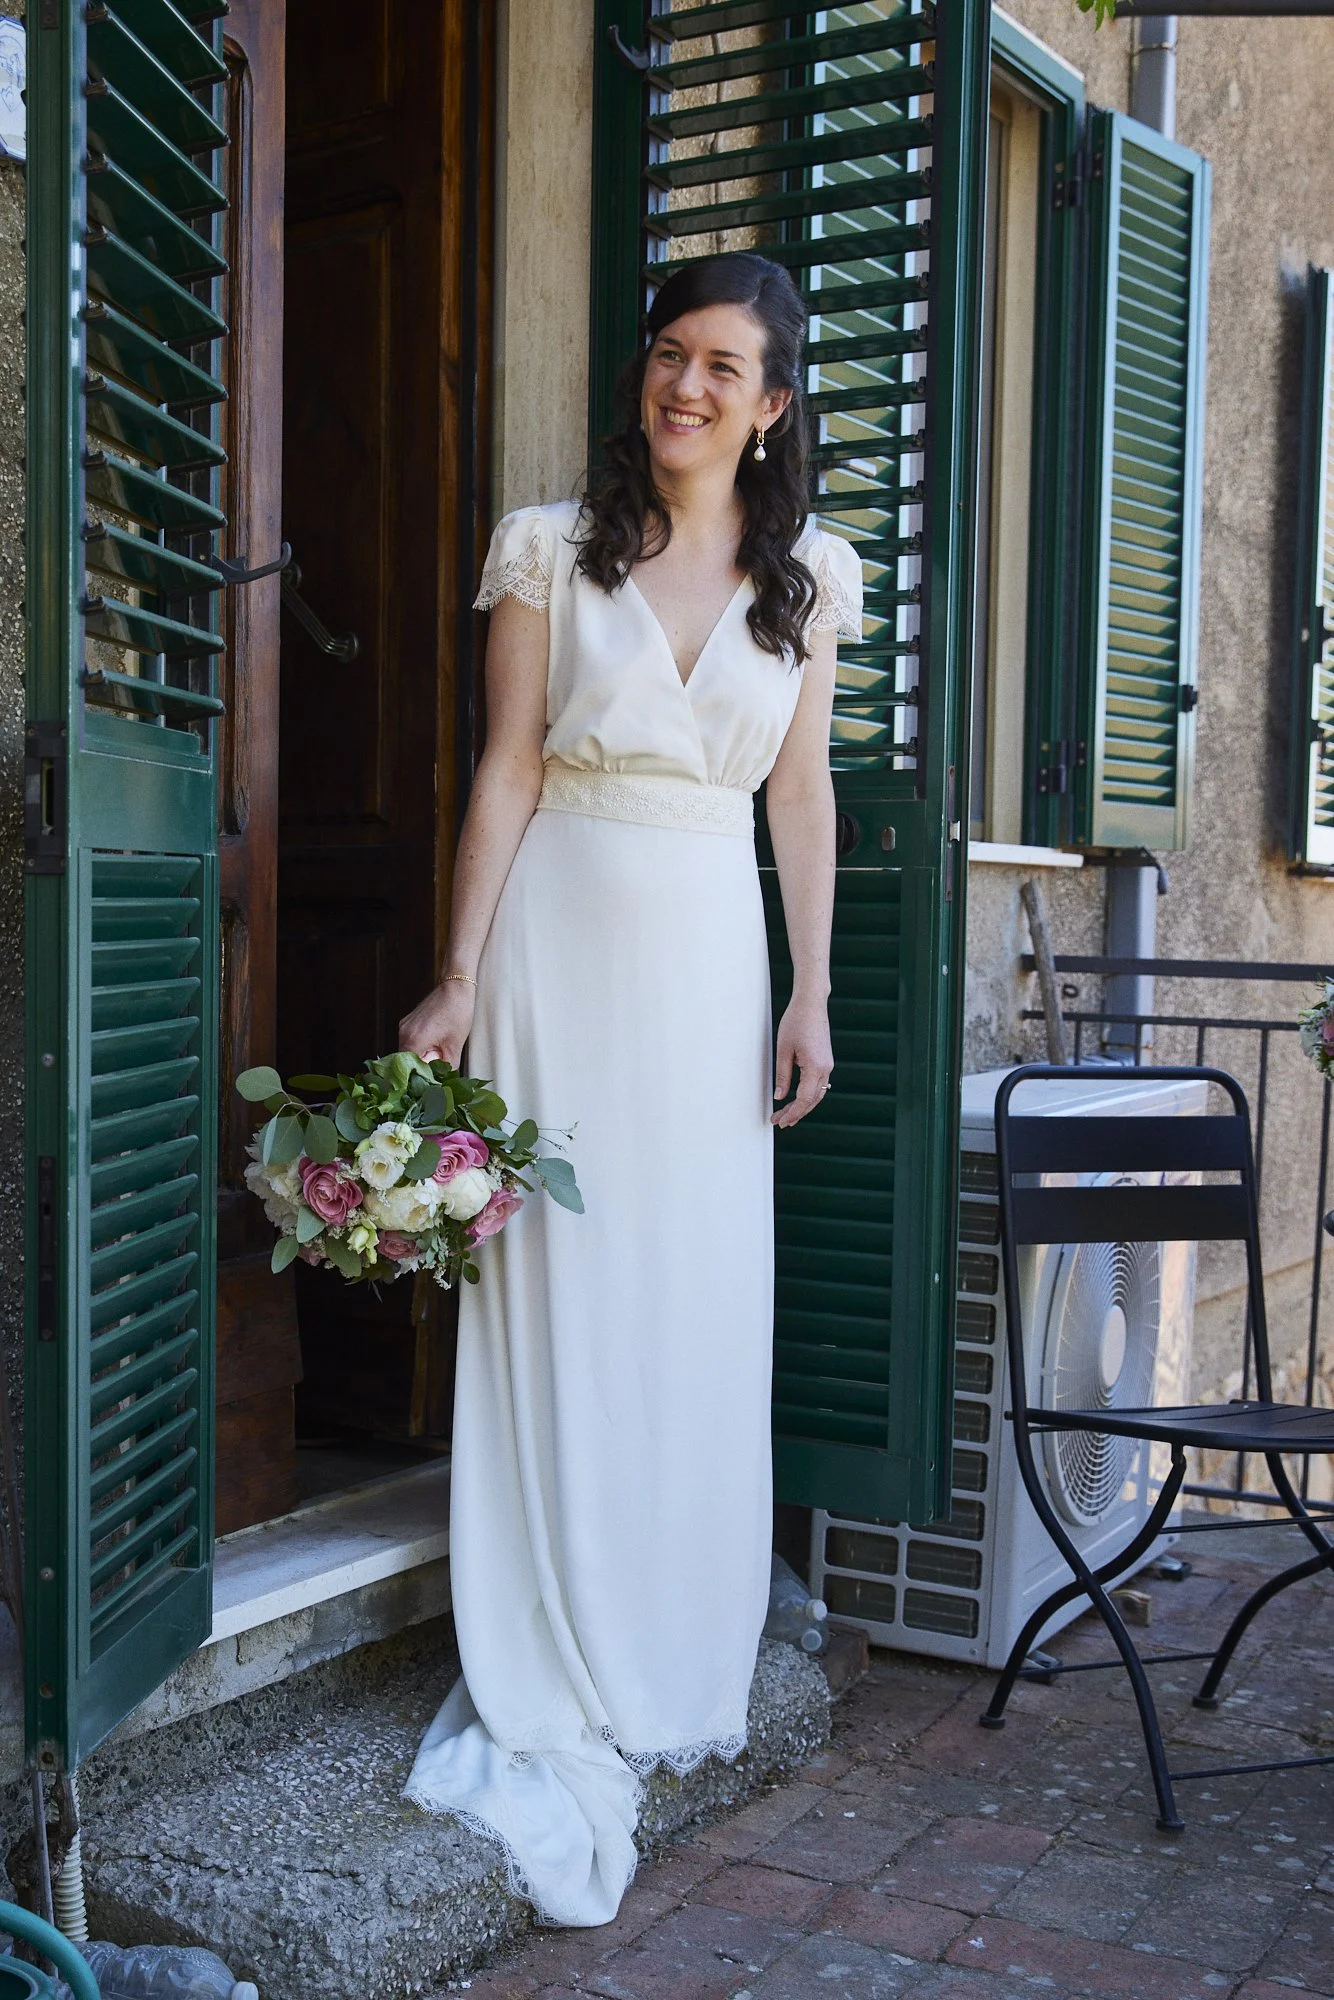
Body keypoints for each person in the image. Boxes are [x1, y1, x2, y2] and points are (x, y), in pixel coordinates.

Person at [398, 252, 863, 1928]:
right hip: (557, 951)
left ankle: (665, 1630)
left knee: (685, 1291)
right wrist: (459, 972)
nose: (685, 388)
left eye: (723, 366)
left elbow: (798, 797)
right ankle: (543, 1636)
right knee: (559, 1282)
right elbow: (508, 763)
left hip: (704, 959)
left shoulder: (810, 573)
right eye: (669, 356)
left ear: (772, 402)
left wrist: (811, 989)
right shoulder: (550, 547)